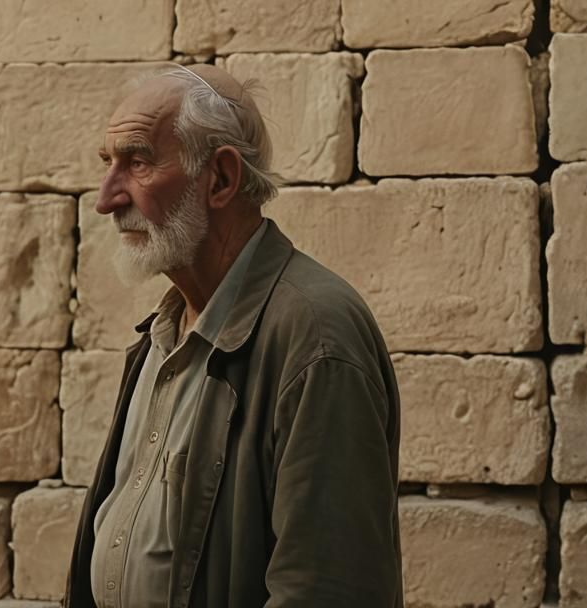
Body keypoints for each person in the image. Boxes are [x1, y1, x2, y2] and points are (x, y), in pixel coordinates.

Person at [65, 64, 402, 608]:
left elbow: (328, 590)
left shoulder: (315, 337)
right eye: (109, 165)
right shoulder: (164, 332)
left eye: (138, 162)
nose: (106, 199)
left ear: (219, 179)